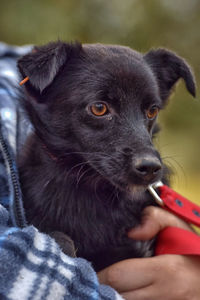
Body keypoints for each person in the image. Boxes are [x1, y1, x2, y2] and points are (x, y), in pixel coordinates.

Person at [0, 42, 200, 300]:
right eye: (100, 109)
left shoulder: (150, 197)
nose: (147, 157)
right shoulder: (47, 71)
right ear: (41, 92)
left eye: (149, 111)